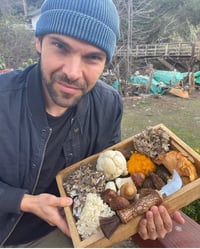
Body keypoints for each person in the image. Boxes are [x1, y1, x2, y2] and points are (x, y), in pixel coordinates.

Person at [0, 0, 184, 247]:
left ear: (105, 62)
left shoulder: (108, 105)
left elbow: (108, 176)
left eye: (93, 57)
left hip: (59, 233)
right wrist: (26, 201)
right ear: (39, 42)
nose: (73, 72)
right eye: (60, 47)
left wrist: (144, 211)